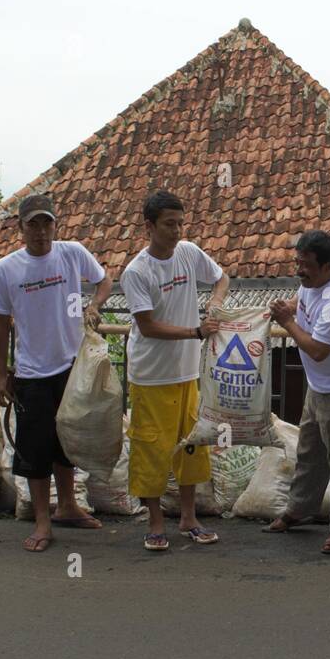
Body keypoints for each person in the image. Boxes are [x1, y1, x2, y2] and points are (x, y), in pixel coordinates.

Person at [0, 194, 113, 553]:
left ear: (56, 225)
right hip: (31, 372)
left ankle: (69, 506)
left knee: (68, 441)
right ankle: (43, 520)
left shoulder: (72, 253)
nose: (41, 231)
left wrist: (94, 305)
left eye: (47, 223)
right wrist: (0, 377)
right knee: (36, 449)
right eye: (33, 224)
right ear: (20, 228)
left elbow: (104, 281)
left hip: (72, 367)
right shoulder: (7, 269)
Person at [120, 190, 230, 552]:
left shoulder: (188, 252)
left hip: (187, 372)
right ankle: (154, 522)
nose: (177, 231)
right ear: (149, 226)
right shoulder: (136, 272)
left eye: (181, 223)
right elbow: (148, 326)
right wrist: (195, 332)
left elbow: (221, 278)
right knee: (152, 448)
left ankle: (188, 518)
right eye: (169, 224)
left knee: (191, 447)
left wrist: (214, 303)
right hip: (151, 375)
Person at [263, 230, 330, 554]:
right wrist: (290, 306)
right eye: (298, 262)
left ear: (327, 267)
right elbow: (301, 301)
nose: (300, 270)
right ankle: (299, 510)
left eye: (306, 265)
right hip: (319, 386)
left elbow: (318, 349)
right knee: (309, 453)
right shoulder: (312, 283)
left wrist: (286, 322)